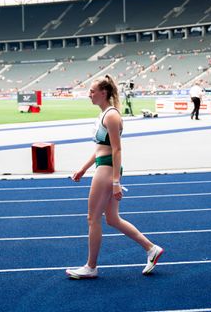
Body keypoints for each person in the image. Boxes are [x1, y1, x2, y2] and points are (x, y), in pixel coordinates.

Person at [66, 75, 163, 279]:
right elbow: (101, 148)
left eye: (92, 91)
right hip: (104, 166)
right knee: (111, 219)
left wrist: (116, 182)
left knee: (93, 218)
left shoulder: (111, 116)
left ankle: (91, 267)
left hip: (108, 170)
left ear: (104, 93)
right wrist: (83, 169)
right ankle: (151, 249)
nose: (89, 95)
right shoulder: (104, 115)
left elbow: (117, 149)